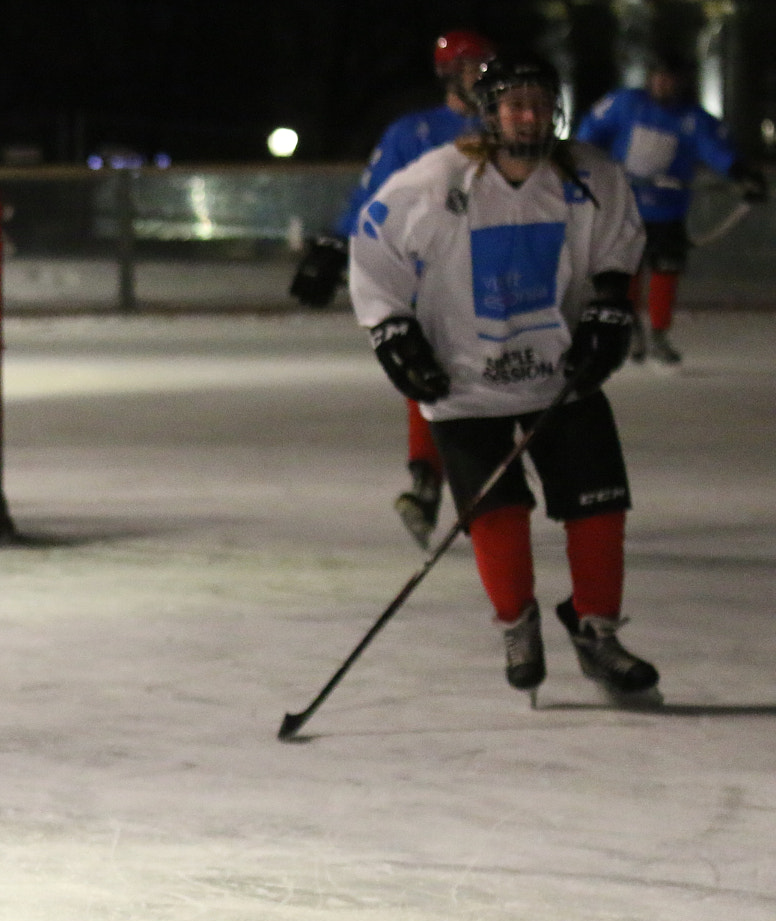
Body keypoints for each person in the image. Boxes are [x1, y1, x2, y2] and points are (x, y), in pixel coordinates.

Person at [350, 53, 658, 705]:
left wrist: (608, 305)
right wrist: (393, 330)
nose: (528, 115)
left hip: (559, 376)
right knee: (498, 516)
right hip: (462, 381)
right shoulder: (435, 180)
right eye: (513, 104)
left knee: (600, 507)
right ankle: (517, 623)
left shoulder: (591, 175)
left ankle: (596, 629)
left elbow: (618, 246)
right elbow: (375, 251)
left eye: (540, 102)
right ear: (489, 115)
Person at [293, 30, 496, 549]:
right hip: (429, 273)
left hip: (497, 273)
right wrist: (335, 244)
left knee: (499, 381)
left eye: (485, 66)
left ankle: (485, 487)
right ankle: (427, 481)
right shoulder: (415, 131)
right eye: (470, 66)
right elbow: (374, 196)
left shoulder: (507, 125)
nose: (480, 75)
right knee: (426, 369)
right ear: (448, 73)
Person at [576, 52, 767, 365]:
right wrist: (579, 162)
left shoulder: (692, 118)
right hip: (625, 208)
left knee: (665, 271)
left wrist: (742, 173)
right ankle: (630, 330)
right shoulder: (626, 104)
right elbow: (590, 132)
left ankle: (659, 334)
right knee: (625, 273)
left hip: (668, 212)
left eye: (670, 78)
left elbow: (716, 150)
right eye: (658, 76)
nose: (663, 84)